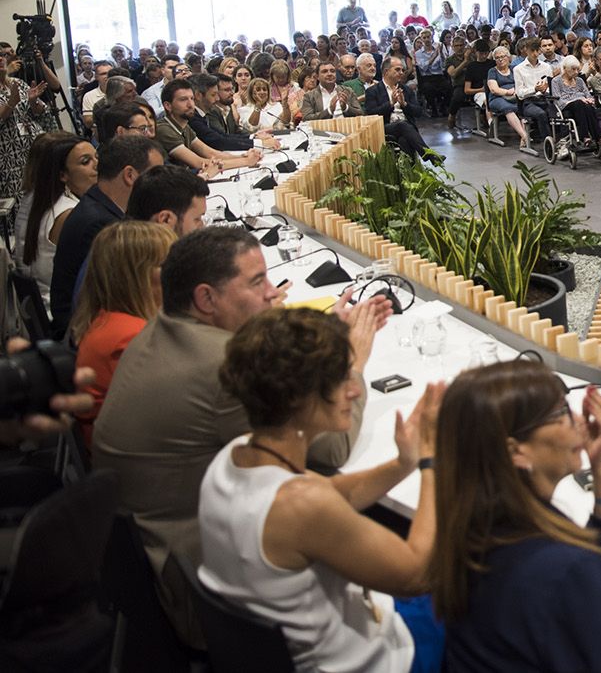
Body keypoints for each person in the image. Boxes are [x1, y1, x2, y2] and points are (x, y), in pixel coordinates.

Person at [96, 227, 387, 646]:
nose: (273, 293)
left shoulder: (167, 328)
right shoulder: (222, 370)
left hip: (157, 555)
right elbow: (333, 447)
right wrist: (354, 358)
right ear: (206, 299)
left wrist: (314, 337)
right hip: (201, 592)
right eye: (257, 282)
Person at [200, 309, 445, 672]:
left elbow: (331, 491)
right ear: (300, 398)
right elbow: (416, 573)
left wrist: (402, 464)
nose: (355, 389)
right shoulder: (301, 507)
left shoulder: (233, 456)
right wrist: (431, 462)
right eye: (342, 378)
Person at [430, 360, 601, 673]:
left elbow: (598, 569)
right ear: (516, 452)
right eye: (560, 414)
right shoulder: (561, 570)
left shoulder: (480, 523)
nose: (577, 420)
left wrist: (599, 466)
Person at [69, 220, 175, 447]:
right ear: (139, 275)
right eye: (167, 265)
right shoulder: (127, 337)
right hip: (138, 463)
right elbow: (175, 407)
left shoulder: (111, 320)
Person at [49, 135, 163, 333]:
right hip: (84, 332)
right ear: (130, 175)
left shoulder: (99, 205)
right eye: (156, 175)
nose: (163, 183)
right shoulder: (101, 224)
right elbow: (125, 295)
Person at [13, 132, 96, 314]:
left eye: (96, 157)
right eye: (85, 161)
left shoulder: (31, 199)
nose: (97, 167)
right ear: (62, 174)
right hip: (64, 316)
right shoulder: (69, 214)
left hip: (40, 310)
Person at [158, 80, 265, 177]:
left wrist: (243, 156)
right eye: (183, 100)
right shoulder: (164, 129)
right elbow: (199, 163)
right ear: (168, 105)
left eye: (191, 99)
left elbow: (210, 153)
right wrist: (246, 161)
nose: (190, 104)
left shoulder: (184, 127)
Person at [0, 43, 54, 203]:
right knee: (18, 202)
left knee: (41, 198)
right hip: (9, 158)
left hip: (32, 150)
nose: (1, 59)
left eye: (2, 55)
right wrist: (11, 102)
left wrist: (33, 102)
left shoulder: (18, 83)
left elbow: (40, 112)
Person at [366, 56, 443, 163]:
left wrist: (404, 104)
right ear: (386, 71)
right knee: (402, 125)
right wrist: (391, 104)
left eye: (402, 70)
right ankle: (429, 155)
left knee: (404, 140)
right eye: (397, 69)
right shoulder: (373, 91)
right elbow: (371, 114)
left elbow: (418, 112)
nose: (401, 72)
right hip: (385, 127)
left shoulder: (406, 90)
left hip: (407, 129)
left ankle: (408, 175)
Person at [190, 73, 281, 152]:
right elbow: (220, 140)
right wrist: (259, 143)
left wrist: (254, 136)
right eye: (214, 94)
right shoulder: (197, 117)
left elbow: (232, 132)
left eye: (232, 89)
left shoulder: (226, 107)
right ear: (198, 95)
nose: (232, 93)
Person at [551, 56, 601, 155]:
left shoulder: (580, 81)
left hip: (583, 105)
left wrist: (590, 100)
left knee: (588, 106)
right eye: (573, 69)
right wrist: (578, 100)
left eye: (577, 69)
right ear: (564, 68)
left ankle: (599, 138)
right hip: (567, 105)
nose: (576, 72)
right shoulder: (556, 81)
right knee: (579, 103)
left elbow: (588, 94)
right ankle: (586, 136)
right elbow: (558, 100)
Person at [485, 45, 535, 153]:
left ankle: (523, 139)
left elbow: (523, 83)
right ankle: (525, 136)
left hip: (515, 96)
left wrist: (517, 90)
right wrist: (507, 92)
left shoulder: (514, 69)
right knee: (508, 108)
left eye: (503, 56)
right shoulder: (492, 71)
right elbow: (494, 89)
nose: (500, 59)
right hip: (497, 98)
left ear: (508, 58)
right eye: (497, 57)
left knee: (523, 106)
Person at [78, 60, 115, 130]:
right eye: (103, 74)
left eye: (110, 74)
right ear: (96, 76)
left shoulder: (122, 92)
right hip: (99, 132)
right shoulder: (89, 96)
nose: (107, 76)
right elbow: (88, 122)